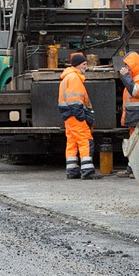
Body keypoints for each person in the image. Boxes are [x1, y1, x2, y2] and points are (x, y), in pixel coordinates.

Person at [58, 52, 99, 180]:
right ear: (77, 65)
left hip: (69, 117)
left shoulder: (67, 77)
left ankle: (72, 170)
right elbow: (75, 101)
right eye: (84, 64)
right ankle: (87, 170)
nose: (86, 67)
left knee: (72, 142)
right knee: (85, 140)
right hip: (76, 116)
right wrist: (81, 117)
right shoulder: (74, 78)